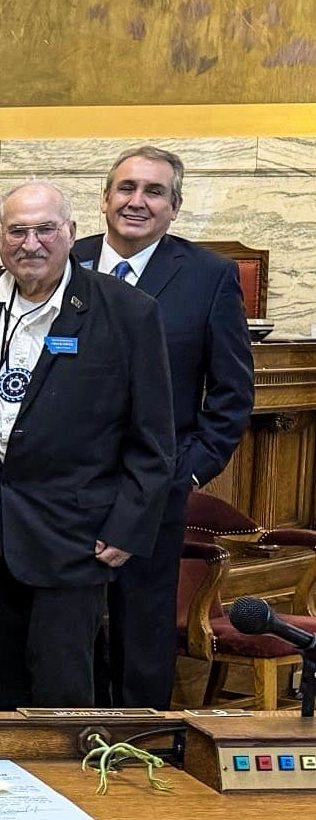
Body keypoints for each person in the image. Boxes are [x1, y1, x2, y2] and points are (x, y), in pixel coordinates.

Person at [0, 182, 174, 709]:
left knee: (62, 693)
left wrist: (129, 525)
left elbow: (154, 436)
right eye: (18, 231)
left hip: (75, 535)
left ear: (71, 233)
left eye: (46, 229)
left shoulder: (127, 310)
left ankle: (69, 792)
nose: (32, 243)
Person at [72, 147, 253, 709]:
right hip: (64, 484)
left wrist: (187, 472)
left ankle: (138, 751)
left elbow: (231, 393)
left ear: (174, 207)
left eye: (154, 192)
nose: (136, 201)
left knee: (140, 631)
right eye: (126, 188)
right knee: (67, 629)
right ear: (104, 199)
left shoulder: (209, 277)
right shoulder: (62, 260)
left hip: (156, 485)